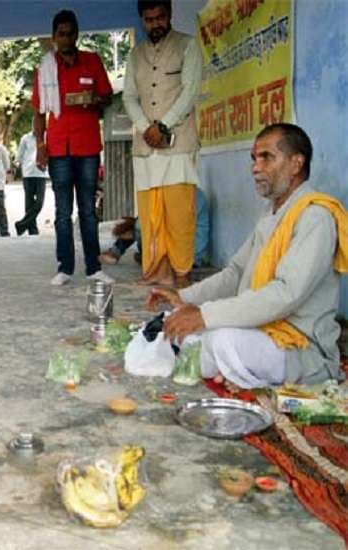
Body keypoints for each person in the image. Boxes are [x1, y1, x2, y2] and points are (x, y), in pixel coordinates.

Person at [147, 124, 348, 390]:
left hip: (299, 346)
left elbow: (285, 294)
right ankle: (235, 371)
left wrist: (205, 315)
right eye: (254, 159)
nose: (255, 167)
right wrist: (184, 299)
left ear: (296, 163)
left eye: (267, 157)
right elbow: (236, 273)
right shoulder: (272, 212)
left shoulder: (315, 216)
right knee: (178, 332)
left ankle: (238, 371)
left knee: (220, 340)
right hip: (261, 331)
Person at [123, 0, 203, 287]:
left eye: (160, 17)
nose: (155, 24)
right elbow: (129, 97)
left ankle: (182, 272)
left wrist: (164, 125)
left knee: (179, 212)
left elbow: (190, 91)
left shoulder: (188, 45)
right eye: (149, 19)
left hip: (178, 143)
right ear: (142, 20)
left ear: (169, 16)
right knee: (150, 213)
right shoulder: (135, 55)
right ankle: (157, 269)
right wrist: (147, 128)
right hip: (145, 146)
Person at [32, 9, 114, 285]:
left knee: (88, 211)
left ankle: (94, 268)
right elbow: (38, 113)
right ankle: (65, 268)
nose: (66, 38)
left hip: (88, 146)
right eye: (61, 34)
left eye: (70, 33)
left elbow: (107, 97)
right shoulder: (44, 68)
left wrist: (94, 99)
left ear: (77, 34)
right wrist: (40, 145)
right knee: (62, 213)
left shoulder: (92, 61)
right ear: (54, 37)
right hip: (58, 150)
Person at [100, 187, 211, 268]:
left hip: (185, 259)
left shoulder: (181, 195)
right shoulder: (189, 191)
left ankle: (118, 251)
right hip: (193, 257)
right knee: (145, 222)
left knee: (144, 225)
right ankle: (120, 251)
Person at [14, 130, 49, 236]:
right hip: (28, 173)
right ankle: (32, 230)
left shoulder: (46, 136)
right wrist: (16, 165)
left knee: (39, 202)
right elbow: (19, 156)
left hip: (41, 173)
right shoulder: (25, 138)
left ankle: (22, 224)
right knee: (29, 203)